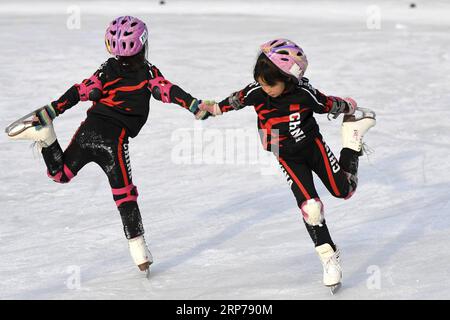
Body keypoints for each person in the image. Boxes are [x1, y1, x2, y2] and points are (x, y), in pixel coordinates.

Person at [8, 16, 209, 274]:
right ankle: (140, 254)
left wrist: (50, 111)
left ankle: (47, 137)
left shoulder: (105, 69)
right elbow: (167, 90)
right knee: (124, 196)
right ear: (144, 44)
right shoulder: (149, 73)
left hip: (88, 133)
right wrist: (194, 105)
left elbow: (81, 91)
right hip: (113, 144)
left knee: (60, 174)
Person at [198, 39, 376, 288]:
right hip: (284, 154)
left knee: (343, 191)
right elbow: (234, 100)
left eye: (270, 83)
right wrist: (214, 108)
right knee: (311, 207)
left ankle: (352, 139)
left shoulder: (304, 93)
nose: (264, 87)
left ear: (289, 78)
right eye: (260, 80)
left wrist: (347, 106)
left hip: (312, 147)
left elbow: (326, 104)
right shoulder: (256, 91)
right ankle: (328, 256)